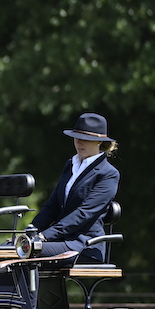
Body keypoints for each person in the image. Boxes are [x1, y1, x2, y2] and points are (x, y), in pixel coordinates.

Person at [30, 112, 120, 263]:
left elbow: (83, 213)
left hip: (85, 246)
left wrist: (44, 236)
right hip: (60, 242)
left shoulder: (108, 174)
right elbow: (52, 206)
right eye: (76, 137)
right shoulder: (70, 165)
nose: (79, 142)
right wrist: (31, 230)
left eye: (85, 138)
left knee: (26, 251)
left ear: (99, 141)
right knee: (6, 249)